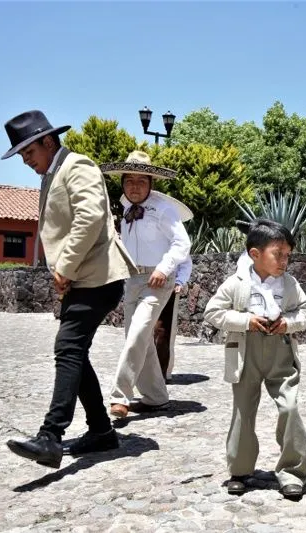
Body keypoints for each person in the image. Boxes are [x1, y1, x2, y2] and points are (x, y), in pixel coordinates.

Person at [1, 110, 136, 468]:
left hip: (100, 277)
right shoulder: (53, 174)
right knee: (75, 352)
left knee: (68, 347)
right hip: (84, 279)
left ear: (48, 141)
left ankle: (50, 435)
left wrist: (65, 266)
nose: (26, 161)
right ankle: (101, 431)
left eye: (28, 152)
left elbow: (90, 218)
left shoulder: (78, 166)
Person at [204, 219, 306, 500]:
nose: (285, 261)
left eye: (287, 254)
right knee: (243, 411)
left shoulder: (289, 284)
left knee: (289, 408)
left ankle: (293, 472)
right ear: (255, 254)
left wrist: (289, 323)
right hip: (245, 352)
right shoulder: (236, 283)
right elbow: (213, 313)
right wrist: (246, 320)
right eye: (279, 254)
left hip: (280, 350)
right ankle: (240, 471)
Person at [99, 151, 192, 418]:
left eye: (142, 180)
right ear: (123, 183)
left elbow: (182, 243)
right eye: (129, 180)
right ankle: (156, 398)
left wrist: (164, 268)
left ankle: (120, 396)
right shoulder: (126, 208)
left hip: (157, 280)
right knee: (141, 340)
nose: (135, 186)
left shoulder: (164, 209)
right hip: (132, 280)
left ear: (151, 182)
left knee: (138, 332)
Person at [154, 248, 193, 382]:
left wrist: (180, 281)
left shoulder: (173, 230)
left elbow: (185, 260)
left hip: (168, 286)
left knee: (163, 330)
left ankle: (161, 372)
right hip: (143, 284)